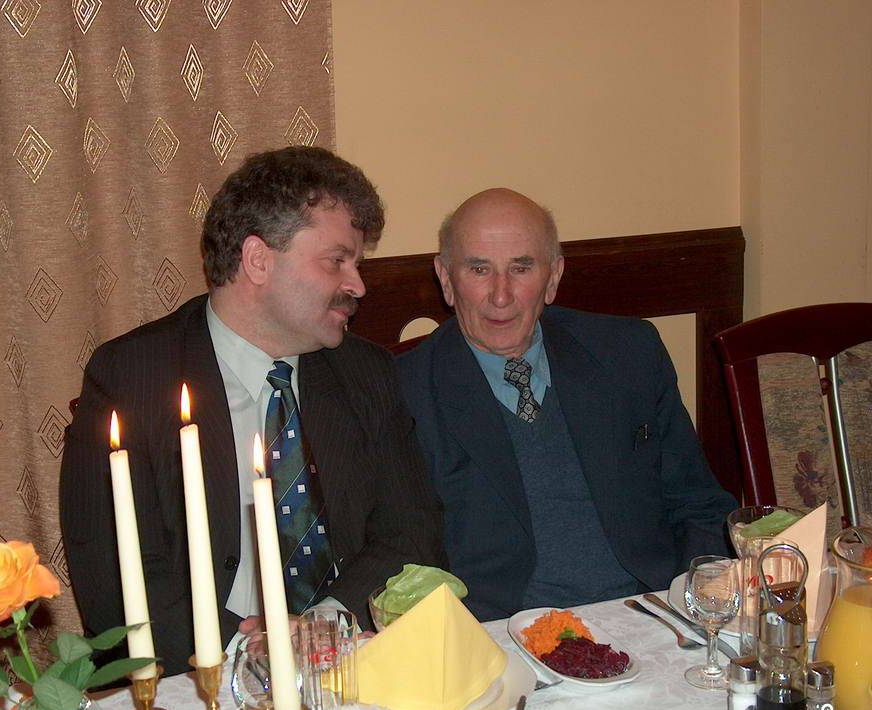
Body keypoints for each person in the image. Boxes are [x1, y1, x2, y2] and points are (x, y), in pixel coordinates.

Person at [60, 146, 445, 674]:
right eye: (337, 260)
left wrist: (324, 625)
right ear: (259, 260)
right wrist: (244, 650)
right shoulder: (132, 378)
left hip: (348, 662)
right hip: (203, 676)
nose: (358, 284)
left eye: (357, 263)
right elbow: (112, 576)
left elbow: (412, 531)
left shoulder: (364, 372)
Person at [396, 188, 735, 622]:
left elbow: (698, 503)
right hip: (501, 633)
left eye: (521, 268)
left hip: (650, 614)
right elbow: (403, 557)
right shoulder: (405, 392)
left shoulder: (628, 354)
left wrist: (695, 603)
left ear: (553, 277)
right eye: (479, 269)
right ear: (446, 278)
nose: (500, 295)